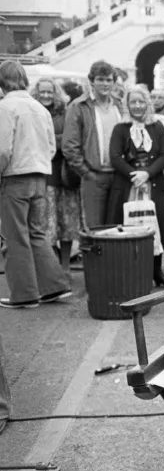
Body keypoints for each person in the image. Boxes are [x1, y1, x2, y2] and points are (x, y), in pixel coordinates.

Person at [0, 61, 72, 309]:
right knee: (38, 234)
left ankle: (24, 294)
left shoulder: (6, 107)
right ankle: (54, 286)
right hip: (40, 176)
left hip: (14, 177)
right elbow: (51, 146)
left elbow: (2, 150)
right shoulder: (40, 108)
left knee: (15, 236)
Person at [106, 86, 164, 288]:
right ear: (127, 104)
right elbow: (115, 156)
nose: (137, 106)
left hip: (153, 184)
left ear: (147, 103)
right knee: (129, 227)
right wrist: (134, 175)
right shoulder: (120, 128)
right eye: (133, 102)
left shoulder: (157, 127)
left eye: (141, 102)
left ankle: (157, 272)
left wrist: (148, 173)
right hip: (128, 186)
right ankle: (130, 271)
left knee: (154, 226)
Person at [63, 60, 123, 228]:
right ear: (92, 81)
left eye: (109, 80)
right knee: (95, 228)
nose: (105, 84)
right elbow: (70, 146)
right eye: (100, 79)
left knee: (117, 228)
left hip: (120, 176)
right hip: (94, 176)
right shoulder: (79, 106)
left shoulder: (119, 105)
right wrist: (86, 173)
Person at [30, 77, 82, 273]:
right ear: (36, 92)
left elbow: (71, 139)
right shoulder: (33, 111)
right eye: (42, 92)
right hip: (44, 174)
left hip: (65, 174)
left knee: (67, 222)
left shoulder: (65, 112)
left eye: (49, 92)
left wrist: (50, 141)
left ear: (55, 93)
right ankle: (52, 267)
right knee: (48, 224)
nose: (45, 95)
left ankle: (66, 266)